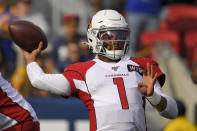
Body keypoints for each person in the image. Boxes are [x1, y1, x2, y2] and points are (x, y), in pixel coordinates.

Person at [22, 9, 178, 131]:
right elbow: (38, 80)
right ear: (94, 37)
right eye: (109, 35)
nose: (116, 40)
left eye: (120, 35)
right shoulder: (83, 71)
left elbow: (172, 112)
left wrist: (153, 96)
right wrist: (30, 61)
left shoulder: (142, 66)